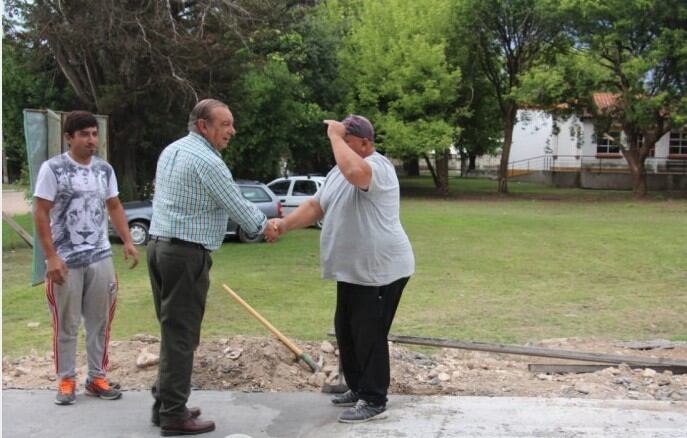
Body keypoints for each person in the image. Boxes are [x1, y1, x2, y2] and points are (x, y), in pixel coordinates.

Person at [267, 114, 414, 423]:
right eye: (340, 143)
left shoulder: (379, 168)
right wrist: (284, 224)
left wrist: (335, 137)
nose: (340, 149)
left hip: (379, 270)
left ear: (365, 143)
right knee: (347, 330)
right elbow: (315, 206)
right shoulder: (339, 171)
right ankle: (358, 388)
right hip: (352, 270)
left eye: (347, 143)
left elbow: (355, 172)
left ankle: (374, 398)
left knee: (369, 333)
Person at [147, 98, 274, 436]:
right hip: (184, 255)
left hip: (159, 246)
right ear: (203, 126)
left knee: (172, 329)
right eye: (225, 124)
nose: (232, 131)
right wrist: (267, 226)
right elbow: (237, 205)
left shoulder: (172, 150)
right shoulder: (207, 160)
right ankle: (174, 415)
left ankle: (165, 403)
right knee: (182, 334)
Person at [33, 110, 140, 406]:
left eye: (94, 134)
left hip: (100, 257)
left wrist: (128, 240)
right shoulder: (53, 169)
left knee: (100, 322)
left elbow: (114, 205)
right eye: (84, 134)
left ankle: (97, 377)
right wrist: (51, 256)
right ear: (69, 138)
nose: (92, 140)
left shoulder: (104, 170)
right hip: (65, 260)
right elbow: (41, 211)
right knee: (66, 324)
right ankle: (66, 379)